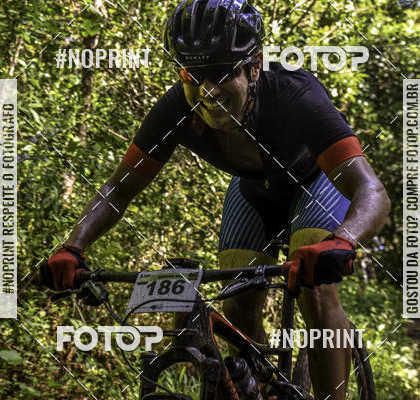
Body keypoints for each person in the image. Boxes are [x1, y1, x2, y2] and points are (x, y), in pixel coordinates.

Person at [42, 1, 390, 398]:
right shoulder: (176, 108)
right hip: (253, 192)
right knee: (237, 303)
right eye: (193, 75)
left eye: (223, 73)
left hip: (315, 185)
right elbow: (118, 189)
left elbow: (372, 192)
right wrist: (73, 246)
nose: (207, 90)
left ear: (254, 67)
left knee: (315, 289)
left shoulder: (296, 95)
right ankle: (266, 388)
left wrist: (343, 241)